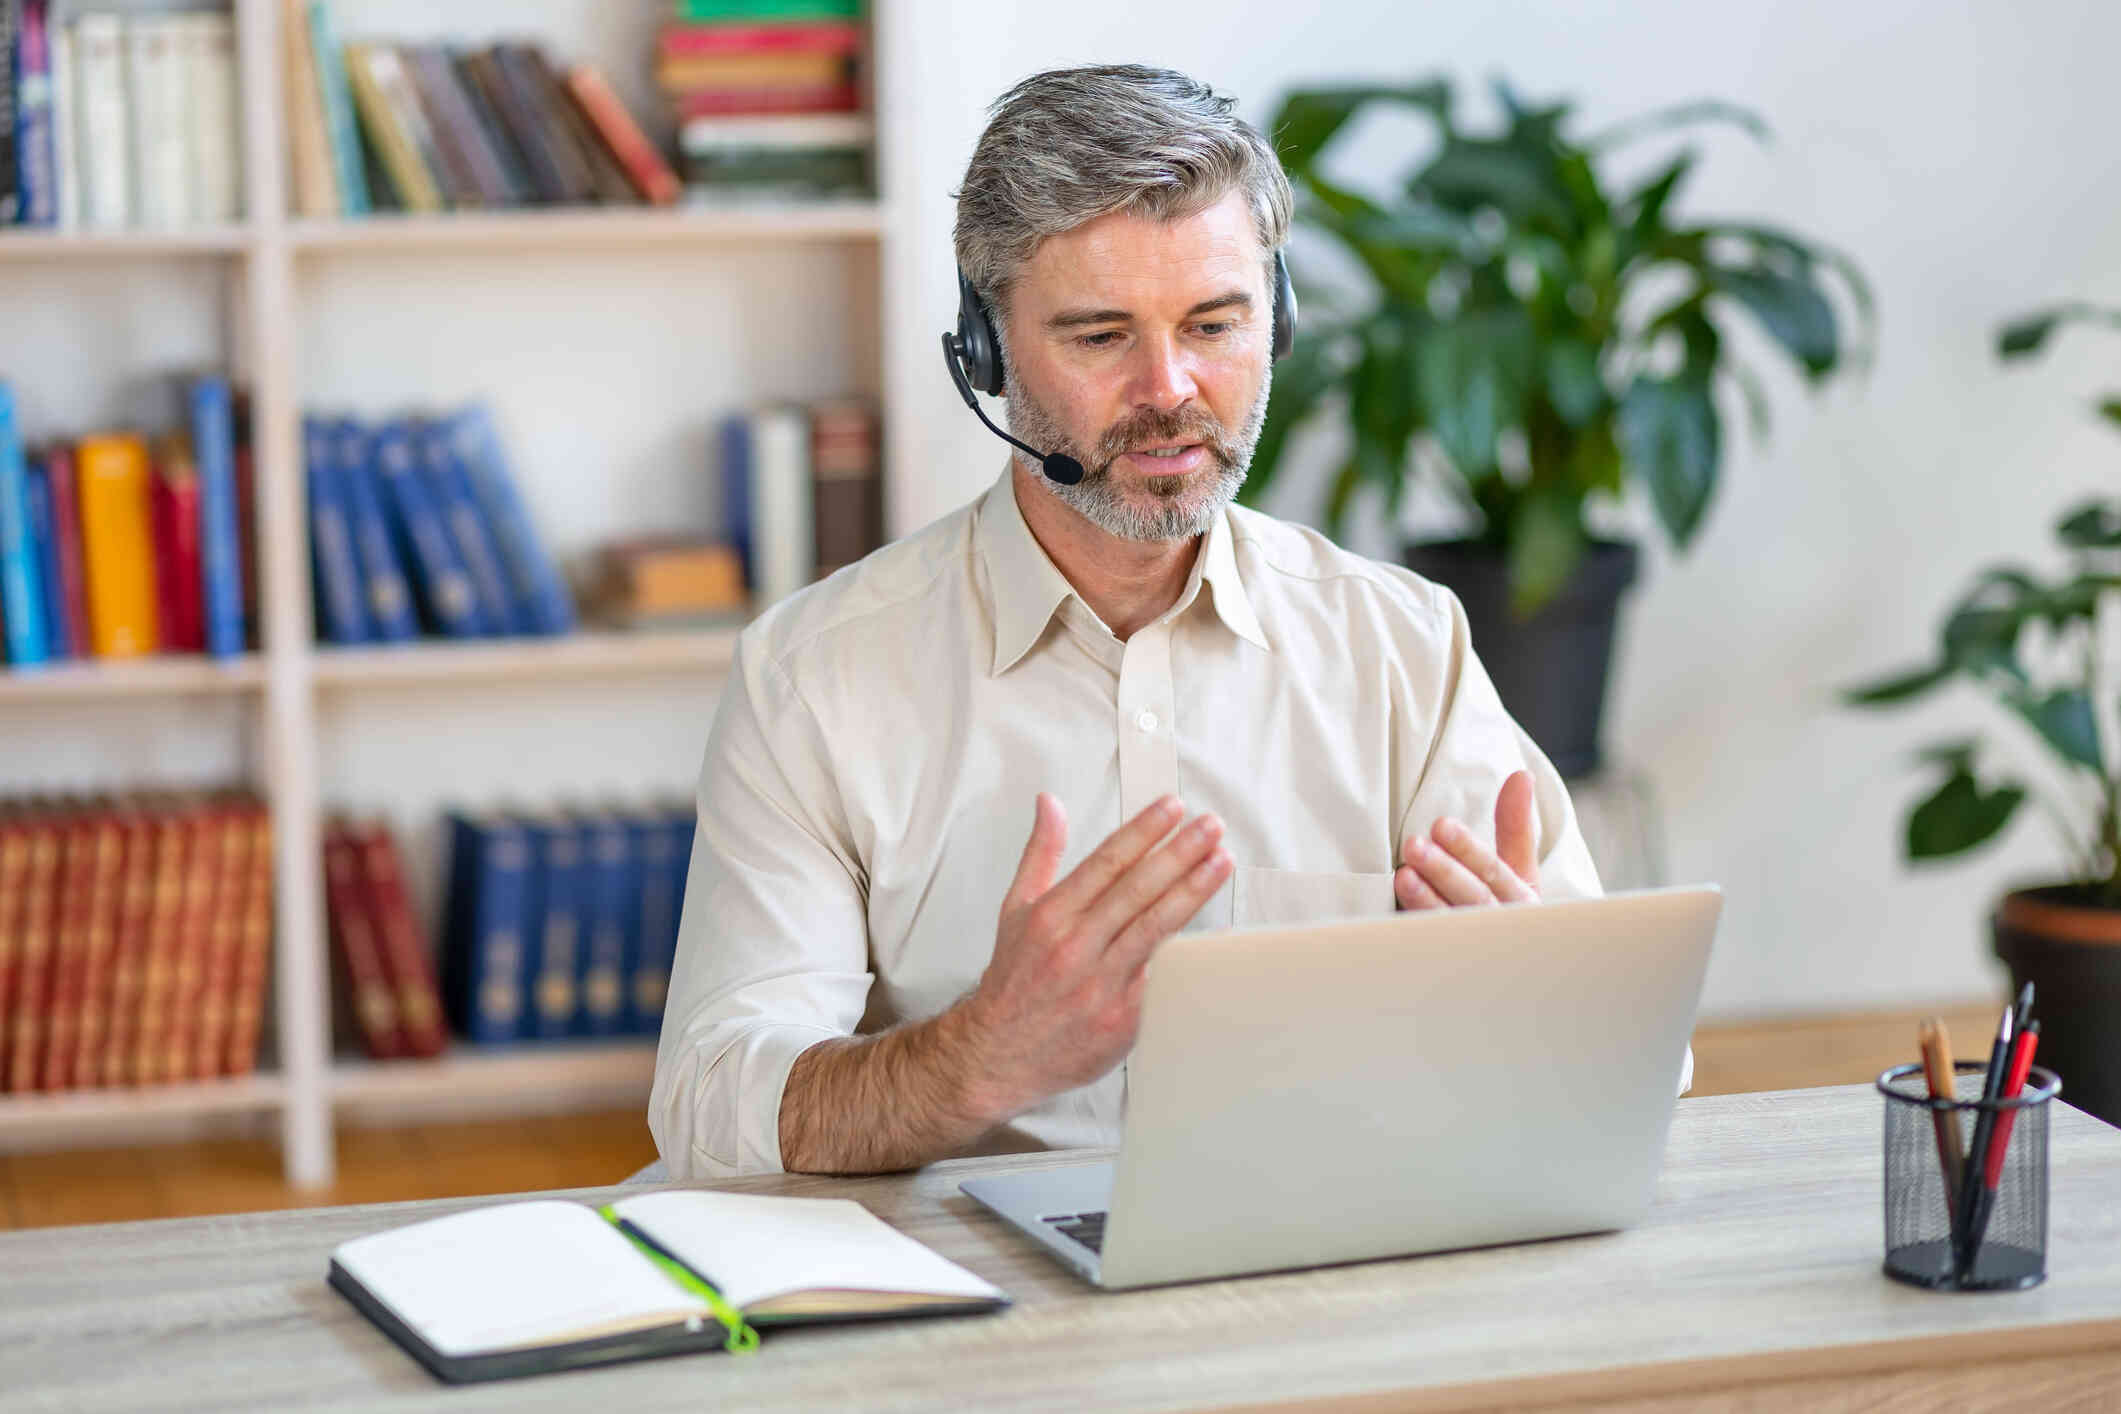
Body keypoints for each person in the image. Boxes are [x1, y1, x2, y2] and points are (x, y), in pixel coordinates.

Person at [649, 64, 1683, 1182]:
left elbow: (1640, 1060)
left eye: (1215, 322)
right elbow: (712, 1110)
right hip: (979, 1309)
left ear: (1275, 318)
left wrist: (1539, 1017)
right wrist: (978, 1057)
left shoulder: (1401, 646)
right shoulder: (815, 679)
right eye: (1100, 336)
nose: (1172, 388)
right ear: (984, 354)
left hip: (1328, 1268)